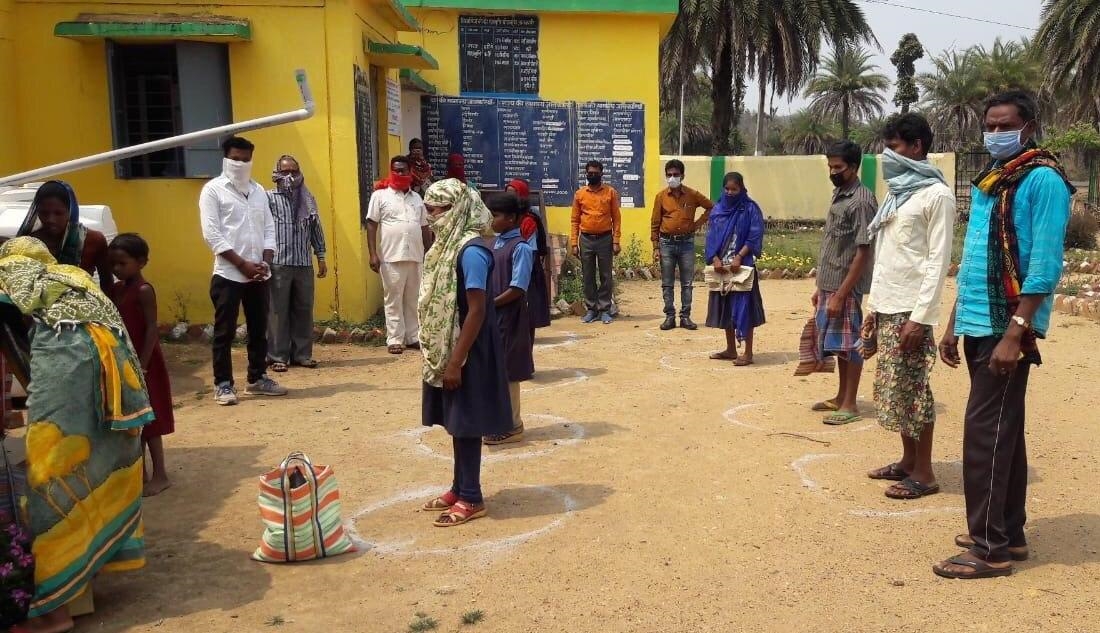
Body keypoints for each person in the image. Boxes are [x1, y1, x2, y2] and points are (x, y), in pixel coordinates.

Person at [933, 90, 1073, 580]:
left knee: (985, 434)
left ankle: (989, 548)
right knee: (1003, 432)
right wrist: (953, 324)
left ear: (1028, 127)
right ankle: (1007, 533)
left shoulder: (1042, 180)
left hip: (1007, 325)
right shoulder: (994, 181)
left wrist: (1018, 330)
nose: (994, 133)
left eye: (1004, 125)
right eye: (989, 125)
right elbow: (976, 262)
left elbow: (1045, 263)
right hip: (979, 320)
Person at [0, 237, 152, 633]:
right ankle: (84, 580)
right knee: (99, 461)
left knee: (49, 480)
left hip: (68, 372)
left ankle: (55, 613)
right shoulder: (74, 280)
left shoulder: (12, 276)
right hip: (113, 380)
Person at [862, 114, 955, 500]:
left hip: (911, 311)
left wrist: (920, 318)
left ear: (916, 147)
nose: (888, 155)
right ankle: (906, 460)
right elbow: (888, 256)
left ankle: (925, 472)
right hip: (888, 304)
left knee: (914, 389)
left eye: (895, 147)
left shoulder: (937, 196)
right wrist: (874, 306)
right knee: (895, 389)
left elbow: (937, 261)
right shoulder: (898, 194)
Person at [417, 179, 511, 527]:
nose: (431, 218)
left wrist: (456, 361)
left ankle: (472, 496)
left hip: (467, 349)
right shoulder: (446, 247)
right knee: (457, 422)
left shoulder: (470, 251)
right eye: (428, 211)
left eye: (437, 211)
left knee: (468, 422)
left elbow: (476, 310)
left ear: (455, 211)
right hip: (450, 345)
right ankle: (459, 486)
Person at [199, 136, 287, 405]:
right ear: (226, 159)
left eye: (245, 159)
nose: (240, 163)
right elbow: (212, 235)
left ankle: (257, 378)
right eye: (235, 159)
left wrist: (265, 260)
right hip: (228, 274)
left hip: (259, 272)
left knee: (259, 328)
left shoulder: (259, 191)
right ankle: (223, 384)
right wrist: (242, 264)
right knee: (224, 331)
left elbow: (269, 228)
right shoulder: (213, 191)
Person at [811, 140, 877, 425]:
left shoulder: (861, 201)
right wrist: (821, 287)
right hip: (831, 282)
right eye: (830, 167)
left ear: (853, 167)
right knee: (837, 343)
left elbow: (864, 250)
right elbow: (835, 242)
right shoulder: (840, 194)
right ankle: (841, 396)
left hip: (845, 286)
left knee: (850, 344)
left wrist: (841, 293)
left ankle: (850, 403)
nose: (832, 171)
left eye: (838, 167)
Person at [108, 233, 176, 498]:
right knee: (134, 420)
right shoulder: (117, 289)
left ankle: (161, 474)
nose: (116, 269)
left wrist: (143, 365)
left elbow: (151, 329)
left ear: (141, 262)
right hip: (126, 360)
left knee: (151, 420)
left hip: (145, 363)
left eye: (122, 264)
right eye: (113, 264)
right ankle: (141, 472)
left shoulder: (144, 290)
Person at [482, 192, 536, 445]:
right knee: (494, 368)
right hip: (492, 315)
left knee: (508, 370)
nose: (492, 220)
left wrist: (490, 304)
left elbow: (518, 287)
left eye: (496, 216)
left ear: (512, 218)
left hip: (509, 314)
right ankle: (498, 419)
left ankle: (513, 424)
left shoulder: (521, 248)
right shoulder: (494, 244)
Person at [266, 155, 327, 373]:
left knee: (303, 309)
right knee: (277, 311)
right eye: (285, 172)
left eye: (293, 171)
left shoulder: (307, 198)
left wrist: (320, 256)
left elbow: (315, 228)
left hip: (303, 263)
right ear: (277, 175)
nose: (290, 176)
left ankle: (302, 354)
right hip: (278, 263)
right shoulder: (268, 199)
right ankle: (277, 355)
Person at [366, 155, 432, 355]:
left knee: (413, 299)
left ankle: (413, 337)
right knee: (393, 298)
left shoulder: (417, 198)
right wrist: (373, 254)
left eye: (403, 170)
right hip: (391, 256)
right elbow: (371, 224)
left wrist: (429, 251)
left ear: (410, 171)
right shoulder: (380, 196)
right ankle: (395, 339)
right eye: (396, 170)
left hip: (415, 256)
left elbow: (424, 227)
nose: (399, 173)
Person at [704, 172, 766, 365]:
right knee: (725, 308)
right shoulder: (717, 210)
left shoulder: (749, 209)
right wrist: (714, 258)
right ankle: (731, 349)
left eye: (734, 189)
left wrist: (740, 256)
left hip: (742, 266)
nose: (730, 193)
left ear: (741, 189)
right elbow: (711, 237)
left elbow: (754, 235)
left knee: (744, 308)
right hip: (721, 266)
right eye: (727, 189)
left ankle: (747, 352)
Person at [651, 159, 714, 331]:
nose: (672, 178)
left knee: (687, 282)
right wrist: (655, 247)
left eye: (676, 175)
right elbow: (655, 222)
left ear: (682, 176)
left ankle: (685, 316)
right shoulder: (661, 197)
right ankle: (669, 316)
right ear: (666, 176)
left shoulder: (692, 195)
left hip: (686, 242)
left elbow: (710, 207)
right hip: (666, 243)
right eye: (669, 175)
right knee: (667, 282)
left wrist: (697, 224)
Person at [19, 180, 112, 296]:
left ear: (71, 211)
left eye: (58, 213)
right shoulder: (28, 243)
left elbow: (107, 283)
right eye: (44, 213)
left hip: (83, 309)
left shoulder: (93, 240)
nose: (50, 220)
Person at [571, 160, 621, 324]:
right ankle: (592, 309)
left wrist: (616, 241)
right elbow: (575, 220)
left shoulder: (610, 192)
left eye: (596, 173)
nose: (592, 175)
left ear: (601, 173)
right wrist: (574, 243)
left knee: (606, 275)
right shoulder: (580, 194)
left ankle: (605, 309)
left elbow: (616, 218)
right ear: (586, 174)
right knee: (588, 275)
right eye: (590, 173)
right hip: (586, 239)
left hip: (605, 239)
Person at [506, 178, 551, 331]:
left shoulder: (529, 220)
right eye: (508, 194)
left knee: (527, 301)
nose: (510, 198)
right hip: (508, 264)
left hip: (526, 266)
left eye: (514, 194)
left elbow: (531, 249)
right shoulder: (504, 217)